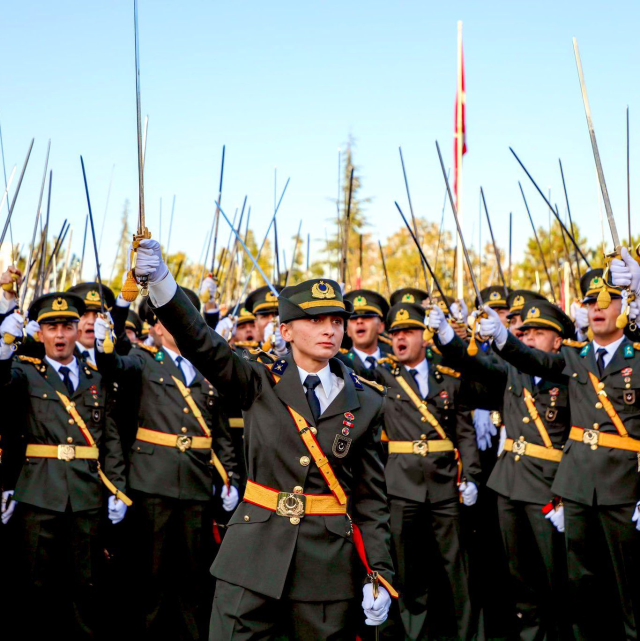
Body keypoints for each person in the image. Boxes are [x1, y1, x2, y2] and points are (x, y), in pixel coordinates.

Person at [132, 238, 396, 640]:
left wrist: (379, 572)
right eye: (315, 319)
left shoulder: (367, 400)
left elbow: (372, 499)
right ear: (286, 329)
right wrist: (163, 283)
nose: (329, 329)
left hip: (325, 568)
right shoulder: (257, 378)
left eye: (337, 320)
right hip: (252, 559)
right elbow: (203, 343)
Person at [478, 261, 640, 638]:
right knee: (582, 585)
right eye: (590, 302)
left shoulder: (637, 354)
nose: (597, 308)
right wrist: (502, 336)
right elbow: (532, 358)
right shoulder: (573, 357)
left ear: (626, 305)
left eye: (609, 299)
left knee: (630, 586)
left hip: (624, 487)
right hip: (579, 486)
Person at [94, 286, 239, 640]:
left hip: (196, 482)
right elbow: (113, 363)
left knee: (193, 576)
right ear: (155, 327)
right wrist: (107, 336)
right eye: (168, 321)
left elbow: (221, 433)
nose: (177, 327)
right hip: (152, 481)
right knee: (151, 576)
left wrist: (230, 478)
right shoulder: (145, 360)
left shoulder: (210, 368)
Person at [431, 298, 574, 639]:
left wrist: (567, 492)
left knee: (557, 577)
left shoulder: (569, 371)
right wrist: (448, 335)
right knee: (519, 577)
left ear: (558, 341)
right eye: (525, 332)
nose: (529, 338)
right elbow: (475, 365)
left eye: (539, 333)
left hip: (549, 487)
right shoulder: (512, 372)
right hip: (509, 484)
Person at [0, 291, 128, 640]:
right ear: (38, 333)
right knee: (35, 589)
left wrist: (117, 487)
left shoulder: (95, 377)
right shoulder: (23, 371)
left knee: (84, 589)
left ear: (77, 330)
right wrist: (4, 346)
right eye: (51, 327)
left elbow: (109, 438)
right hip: (39, 494)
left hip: (85, 497)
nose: (60, 335)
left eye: (67, 326)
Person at [375, 300, 481, 640]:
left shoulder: (447, 377)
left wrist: (473, 476)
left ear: (424, 336)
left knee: (458, 569)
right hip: (401, 484)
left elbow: (464, 432)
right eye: (395, 333)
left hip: (445, 484)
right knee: (409, 571)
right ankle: (414, 634)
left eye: (408, 331)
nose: (400, 338)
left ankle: (468, 635)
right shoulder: (381, 376)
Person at [338, 289, 391, 379]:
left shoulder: (395, 363)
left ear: (380, 327)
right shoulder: (340, 364)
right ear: (348, 330)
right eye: (354, 318)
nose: (359, 321)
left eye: (367, 316)